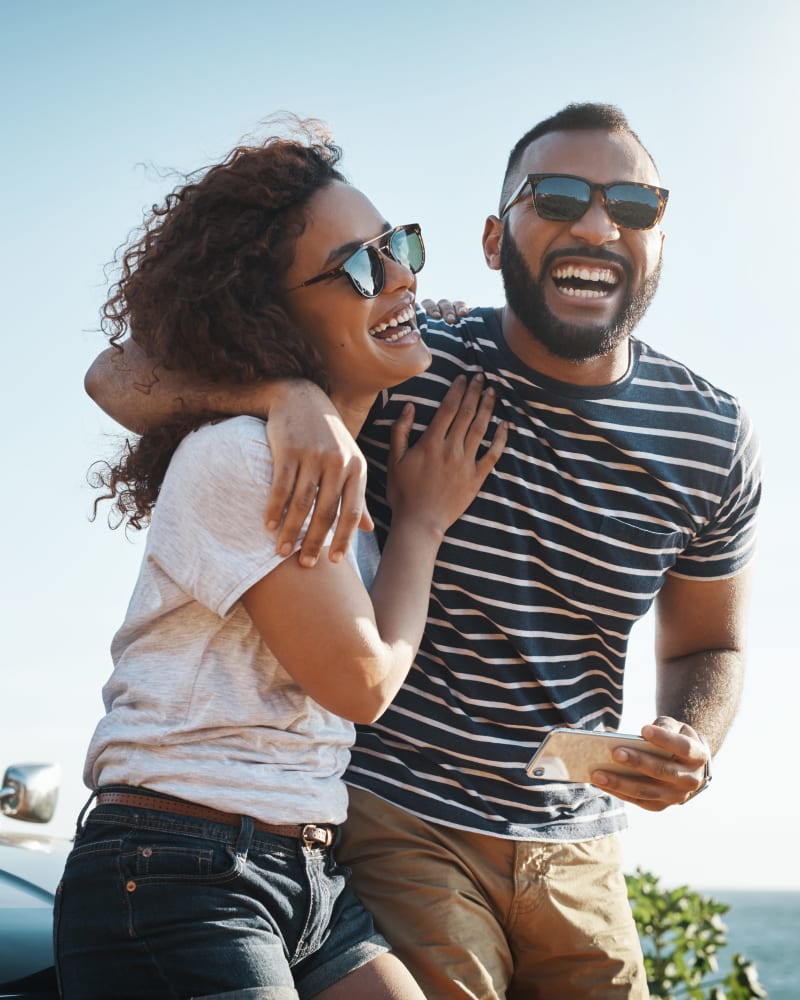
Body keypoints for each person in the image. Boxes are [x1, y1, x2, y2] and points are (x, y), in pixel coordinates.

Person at [85, 103, 762, 1000]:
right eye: (556, 196)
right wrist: (285, 393)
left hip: (578, 843)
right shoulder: (406, 353)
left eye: (633, 207)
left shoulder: (712, 435)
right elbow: (120, 374)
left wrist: (692, 738)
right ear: (495, 238)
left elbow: (710, 644)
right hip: (397, 818)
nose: (596, 225)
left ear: (662, 239)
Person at [55, 118, 507, 1000]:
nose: (404, 273)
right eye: (363, 266)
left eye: (400, 244)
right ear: (273, 313)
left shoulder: (327, 455)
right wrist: (419, 524)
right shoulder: (244, 457)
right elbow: (361, 684)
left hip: (300, 872)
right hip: (180, 869)